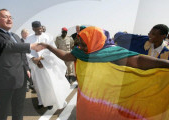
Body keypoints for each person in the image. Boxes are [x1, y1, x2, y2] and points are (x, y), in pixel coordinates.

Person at [40, 26, 169, 120]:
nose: (82, 48)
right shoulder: (81, 52)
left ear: (95, 41)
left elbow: (138, 60)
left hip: (108, 102)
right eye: (81, 44)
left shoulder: (113, 53)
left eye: (85, 45)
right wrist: (49, 47)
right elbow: (66, 56)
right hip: (87, 99)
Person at [0, 9, 42, 120]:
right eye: (5, 17)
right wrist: (31, 46)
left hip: (20, 79)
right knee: (1, 111)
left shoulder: (15, 36)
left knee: (18, 109)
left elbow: (22, 54)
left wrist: (26, 68)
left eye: (10, 17)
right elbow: (6, 47)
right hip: (4, 80)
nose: (9, 19)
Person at [25, 21, 69, 110]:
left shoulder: (48, 36)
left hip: (47, 65)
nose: (40, 30)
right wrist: (34, 59)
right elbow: (27, 51)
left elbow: (51, 50)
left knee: (48, 84)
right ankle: (40, 101)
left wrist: (41, 60)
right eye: (37, 29)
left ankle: (49, 102)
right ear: (33, 29)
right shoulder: (28, 39)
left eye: (40, 28)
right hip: (35, 66)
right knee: (38, 85)